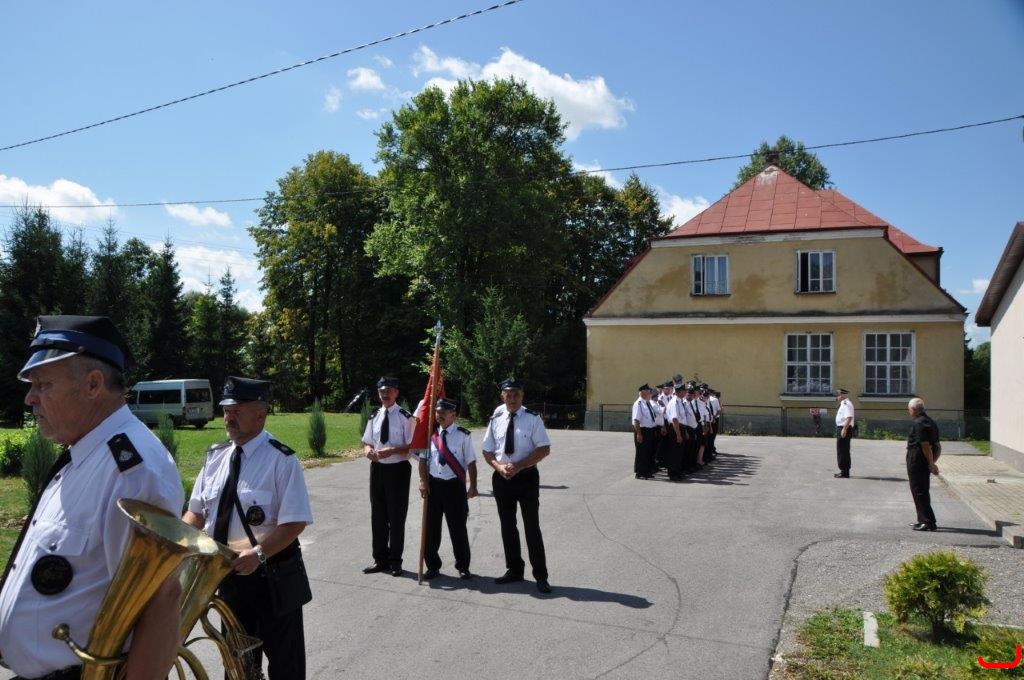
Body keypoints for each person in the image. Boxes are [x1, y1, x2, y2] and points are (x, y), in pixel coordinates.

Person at [0, 315, 184, 680]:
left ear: (93, 384)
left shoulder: (132, 470)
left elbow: (161, 602)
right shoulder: (85, 453)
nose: (30, 398)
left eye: (43, 384)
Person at [183, 376, 313, 679]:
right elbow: (195, 514)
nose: (229, 417)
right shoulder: (215, 457)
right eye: (226, 410)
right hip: (229, 577)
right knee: (238, 666)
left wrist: (258, 554)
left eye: (237, 410)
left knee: (286, 666)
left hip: (273, 577)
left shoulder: (281, 460)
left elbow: (294, 522)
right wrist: (181, 543)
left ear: (260, 414)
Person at [482, 378, 553, 593]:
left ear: (522, 396)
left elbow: (544, 449)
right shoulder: (496, 417)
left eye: (516, 394)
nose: (512, 398)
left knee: (532, 526)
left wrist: (520, 466)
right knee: (507, 526)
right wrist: (498, 467)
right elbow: (487, 450)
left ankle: (541, 576)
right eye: (508, 394)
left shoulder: (532, 418)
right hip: (502, 478)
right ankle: (514, 569)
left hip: (526, 477)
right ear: (502, 396)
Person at [418, 397, 478, 580]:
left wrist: (473, 486)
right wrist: (423, 482)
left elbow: (471, 462)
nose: (440, 415)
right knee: (431, 530)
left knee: (458, 529)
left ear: (454, 415)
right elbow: (422, 461)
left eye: (444, 412)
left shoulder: (463, 435)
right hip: (434, 487)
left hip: (454, 487)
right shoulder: (430, 435)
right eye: (438, 412)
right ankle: (432, 566)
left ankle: (463, 566)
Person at [361, 377, 415, 576]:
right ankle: (380, 560)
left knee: (396, 517)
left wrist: (392, 450)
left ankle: (395, 561)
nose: (385, 394)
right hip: (378, 469)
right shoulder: (374, 415)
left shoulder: (405, 417)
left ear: (396, 393)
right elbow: (367, 441)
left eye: (389, 390)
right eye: (382, 391)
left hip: (398, 470)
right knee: (378, 516)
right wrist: (368, 451)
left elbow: (413, 447)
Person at [905, 397, 940, 531]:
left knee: (919, 490)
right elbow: (937, 445)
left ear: (914, 410)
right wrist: (932, 461)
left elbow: (925, 445)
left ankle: (928, 522)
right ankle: (922, 519)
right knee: (920, 489)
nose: (909, 412)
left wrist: (931, 463)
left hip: (917, 459)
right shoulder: (930, 422)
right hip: (923, 459)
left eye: (909, 409)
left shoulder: (918, 423)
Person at [631, 384, 658, 479]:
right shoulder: (638, 404)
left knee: (648, 452)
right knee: (642, 452)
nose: (650, 394)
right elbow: (636, 420)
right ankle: (640, 472)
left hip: (650, 430)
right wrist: (639, 434)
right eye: (648, 392)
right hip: (642, 430)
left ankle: (647, 471)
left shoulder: (647, 403)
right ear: (643, 393)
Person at [834, 388, 855, 478]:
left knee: (843, 450)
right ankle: (844, 471)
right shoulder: (844, 403)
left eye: (837, 395)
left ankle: (845, 472)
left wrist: (844, 429)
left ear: (841, 395)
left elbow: (849, 417)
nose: (836, 397)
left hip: (844, 428)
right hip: (843, 428)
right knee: (842, 450)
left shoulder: (846, 404)